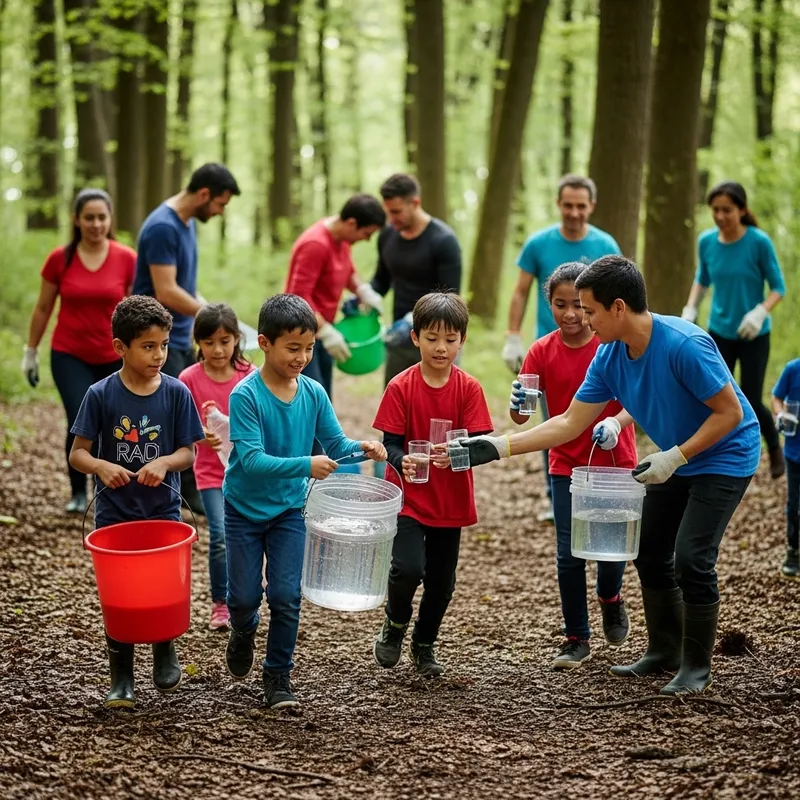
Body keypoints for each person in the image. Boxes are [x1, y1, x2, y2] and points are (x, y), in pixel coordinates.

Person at [461, 256, 760, 696]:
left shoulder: (684, 344)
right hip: (677, 457)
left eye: (589, 309)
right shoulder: (609, 356)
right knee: (651, 551)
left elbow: (731, 413)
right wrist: (497, 446)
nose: (582, 319)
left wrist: (674, 456)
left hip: (725, 455)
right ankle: (664, 651)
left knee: (692, 559)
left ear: (618, 307)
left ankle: (696, 667)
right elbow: (567, 423)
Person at [222, 293, 386, 709]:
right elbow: (253, 460)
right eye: (292, 348)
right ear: (264, 343)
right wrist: (305, 464)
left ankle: (278, 677)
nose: (302, 357)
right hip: (243, 509)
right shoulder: (246, 396)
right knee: (242, 598)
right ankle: (243, 629)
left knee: (286, 594)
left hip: (290, 511)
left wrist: (362, 448)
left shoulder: (313, 393)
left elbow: (335, 444)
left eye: (309, 348)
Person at [68, 295, 205, 709]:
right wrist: (100, 467)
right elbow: (78, 453)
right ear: (120, 348)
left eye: (163, 344)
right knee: (121, 594)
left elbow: (190, 453)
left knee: (162, 586)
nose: (159, 354)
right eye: (148, 346)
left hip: (162, 510)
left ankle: (165, 650)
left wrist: (164, 462)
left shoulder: (177, 393)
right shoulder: (101, 394)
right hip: (115, 513)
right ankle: (121, 678)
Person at [508, 262, 638, 670]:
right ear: (548, 304)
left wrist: (616, 423)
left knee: (611, 548)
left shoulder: (611, 345)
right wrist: (517, 406)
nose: (570, 314)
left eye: (578, 306)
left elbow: (639, 399)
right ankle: (576, 638)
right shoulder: (541, 351)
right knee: (569, 553)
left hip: (615, 459)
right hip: (565, 463)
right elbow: (523, 418)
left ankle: (610, 597)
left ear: (590, 305)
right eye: (560, 305)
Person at [371, 292, 493, 677]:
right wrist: (399, 459)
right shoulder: (401, 386)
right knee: (407, 568)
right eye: (432, 338)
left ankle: (424, 643)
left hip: (449, 499)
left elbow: (482, 445)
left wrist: (461, 454)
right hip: (409, 494)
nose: (441, 348)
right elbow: (389, 442)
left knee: (441, 582)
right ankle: (394, 624)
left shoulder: (468, 388)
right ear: (415, 338)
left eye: (450, 339)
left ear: (462, 340)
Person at [501, 175, 621, 522]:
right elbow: (521, 290)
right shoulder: (539, 243)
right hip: (551, 348)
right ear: (559, 204)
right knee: (553, 421)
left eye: (581, 206)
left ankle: (599, 487)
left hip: (594, 342)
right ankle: (558, 496)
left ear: (591, 206)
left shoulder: (604, 243)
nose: (574, 212)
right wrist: (513, 335)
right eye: (568, 205)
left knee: (597, 416)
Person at [133, 162, 241, 513]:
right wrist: (209, 320)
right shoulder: (163, 227)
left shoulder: (186, 224)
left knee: (191, 412)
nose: (220, 211)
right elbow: (165, 291)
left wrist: (214, 314)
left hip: (182, 334)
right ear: (204, 194)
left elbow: (186, 286)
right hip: (158, 337)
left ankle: (193, 492)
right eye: (220, 204)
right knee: (174, 417)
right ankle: (177, 493)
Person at [22, 188, 136, 515]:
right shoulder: (60, 258)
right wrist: (30, 351)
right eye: (89, 217)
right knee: (80, 420)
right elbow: (43, 308)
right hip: (69, 353)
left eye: (102, 217)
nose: (96, 224)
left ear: (110, 219)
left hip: (114, 355)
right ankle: (77, 492)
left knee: (114, 423)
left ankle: (107, 488)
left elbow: (134, 310)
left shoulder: (126, 258)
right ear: (76, 220)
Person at [681, 180, 786, 479]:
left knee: (750, 397)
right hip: (719, 331)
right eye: (715, 210)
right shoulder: (707, 242)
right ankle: (723, 456)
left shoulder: (758, 242)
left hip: (754, 333)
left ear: (741, 210)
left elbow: (779, 287)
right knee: (717, 396)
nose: (720, 216)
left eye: (727, 210)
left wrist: (760, 311)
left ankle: (773, 448)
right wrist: (691, 308)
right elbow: (702, 278)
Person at [179, 304, 256, 631]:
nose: (218, 349)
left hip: (250, 473)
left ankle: (249, 599)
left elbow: (261, 418)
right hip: (211, 474)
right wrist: (200, 438)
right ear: (198, 342)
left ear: (237, 339)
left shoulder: (249, 375)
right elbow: (181, 425)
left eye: (225, 341)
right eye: (209, 342)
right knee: (222, 536)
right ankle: (221, 602)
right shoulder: (188, 379)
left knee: (251, 537)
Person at [284, 194, 386, 398]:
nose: (367, 239)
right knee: (309, 398)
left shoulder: (342, 240)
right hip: (301, 335)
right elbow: (297, 297)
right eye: (366, 233)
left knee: (323, 397)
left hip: (320, 332)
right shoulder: (315, 245)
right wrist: (325, 330)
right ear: (351, 223)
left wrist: (363, 291)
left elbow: (348, 271)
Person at [367, 174, 462, 385]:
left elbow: (451, 298)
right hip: (399, 340)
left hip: (438, 340)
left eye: (396, 212)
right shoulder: (387, 237)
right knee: (395, 407)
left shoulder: (443, 241)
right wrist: (364, 295)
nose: (391, 219)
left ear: (415, 203)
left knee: (440, 410)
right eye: (388, 212)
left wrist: (414, 319)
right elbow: (381, 281)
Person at [771, 360, 800, 579]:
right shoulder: (793, 369)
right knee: (794, 505)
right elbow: (776, 396)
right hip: (795, 453)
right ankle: (793, 551)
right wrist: (780, 415)